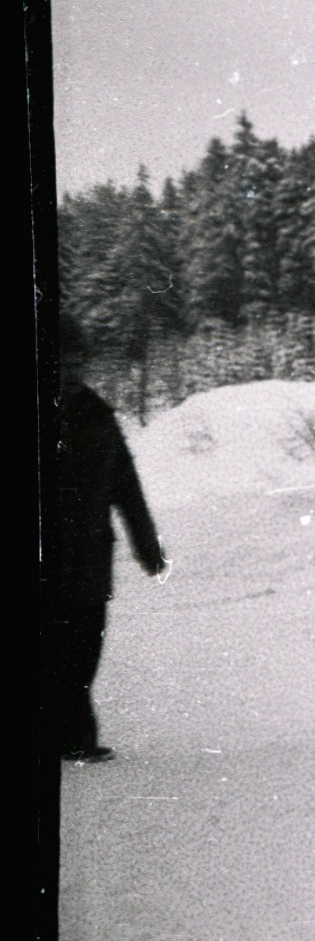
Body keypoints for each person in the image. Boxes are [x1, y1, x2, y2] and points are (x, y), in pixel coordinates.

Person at [50, 316, 169, 764]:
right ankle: (70, 735)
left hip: (88, 556)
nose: (72, 371)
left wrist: (147, 545)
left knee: (83, 651)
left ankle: (76, 736)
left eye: (78, 361)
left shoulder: (97, 413)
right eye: (62, 362)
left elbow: (126, 484)